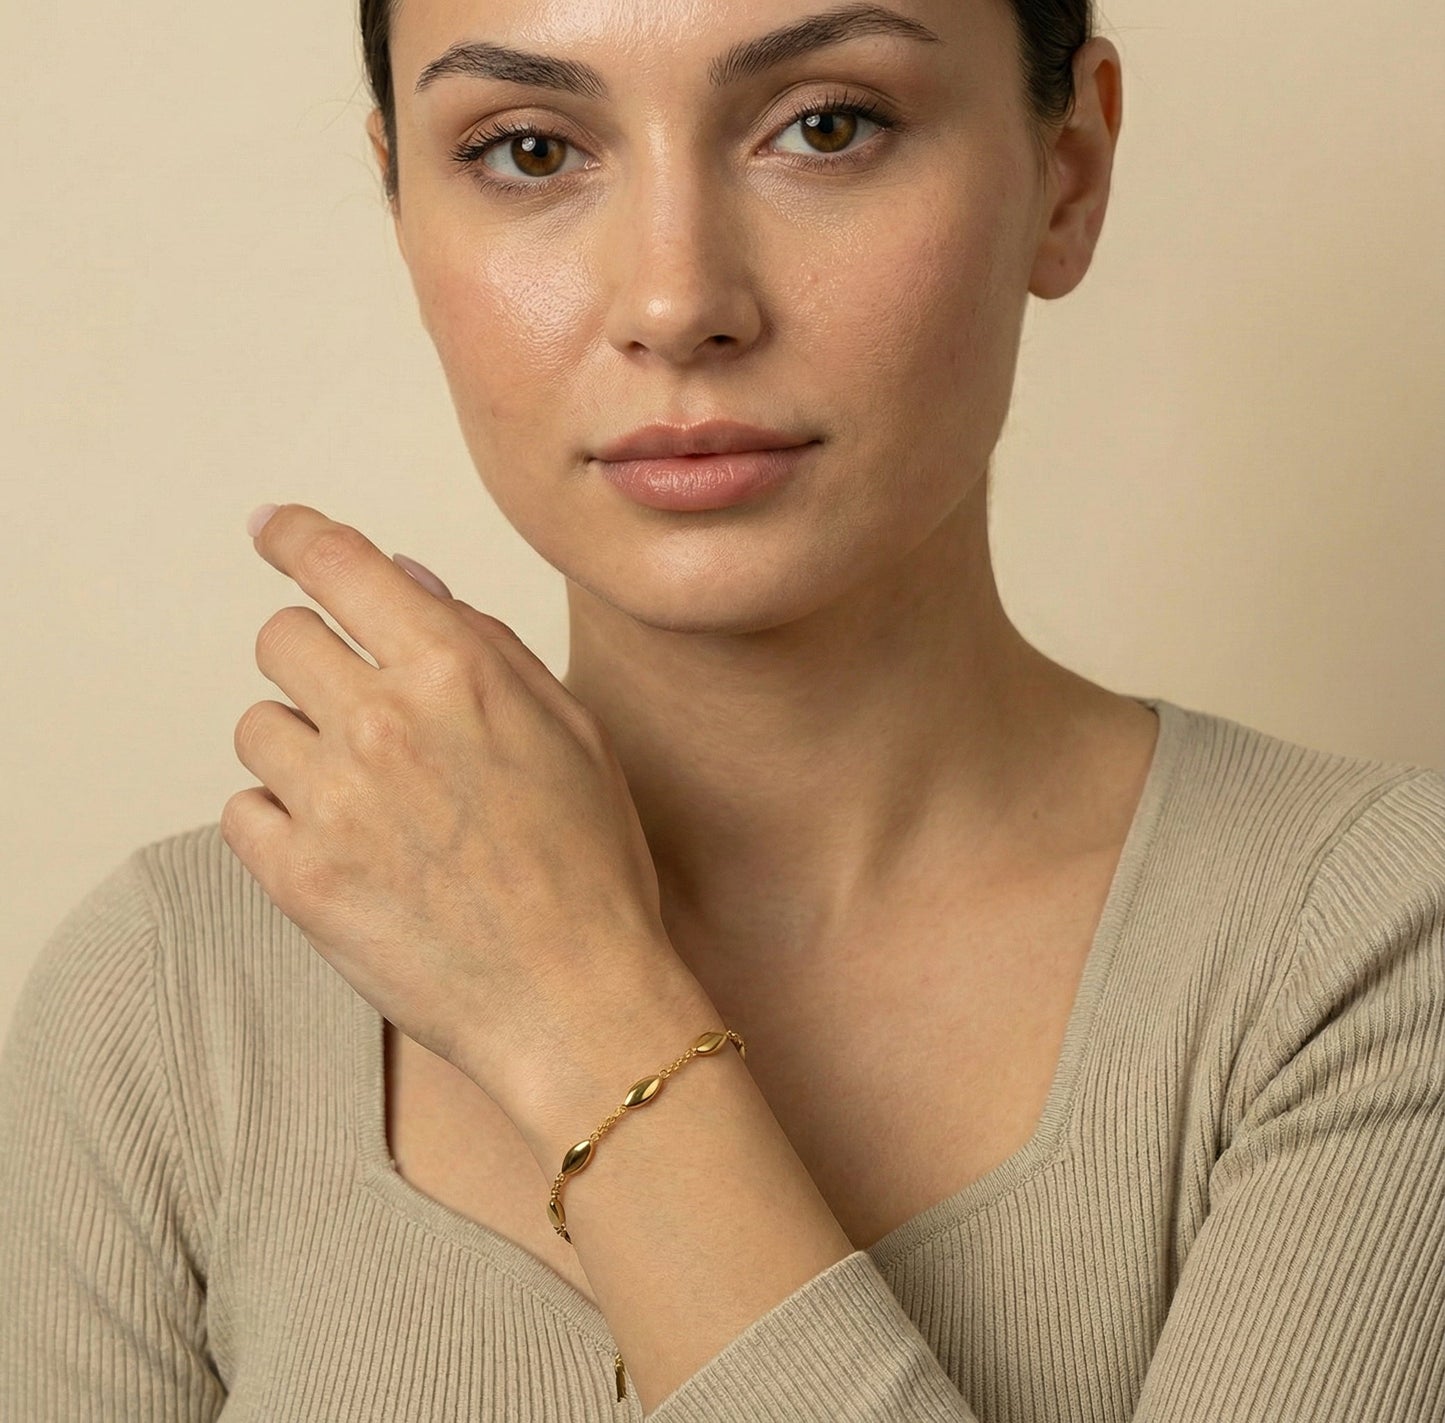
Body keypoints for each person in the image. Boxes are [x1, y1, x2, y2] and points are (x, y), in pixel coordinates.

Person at [1, 0, 1441, 1418]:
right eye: (526, 152)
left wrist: (574, 1009)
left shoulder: (1369, 951)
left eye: (826, 126)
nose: (677, 303)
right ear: (402, 210)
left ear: (1063, 177)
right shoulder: (171, 997)